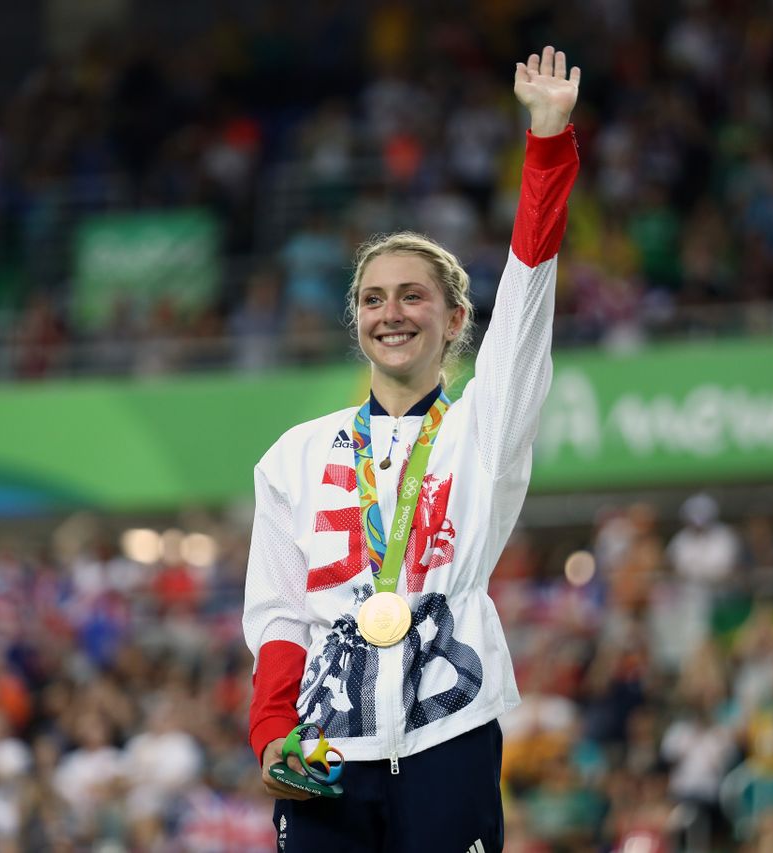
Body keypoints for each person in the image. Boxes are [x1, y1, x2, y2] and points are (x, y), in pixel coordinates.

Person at [242, 46, 581, 852]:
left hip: (448, 736)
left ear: (455, 319)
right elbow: (280, 614)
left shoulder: (481, 429)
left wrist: (546, 144)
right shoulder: (294, 454)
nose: (391, 313)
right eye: (371, 298)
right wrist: (271, 736)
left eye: (413, 296)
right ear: (355, 319)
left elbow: (531, 290)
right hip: (324, 747)